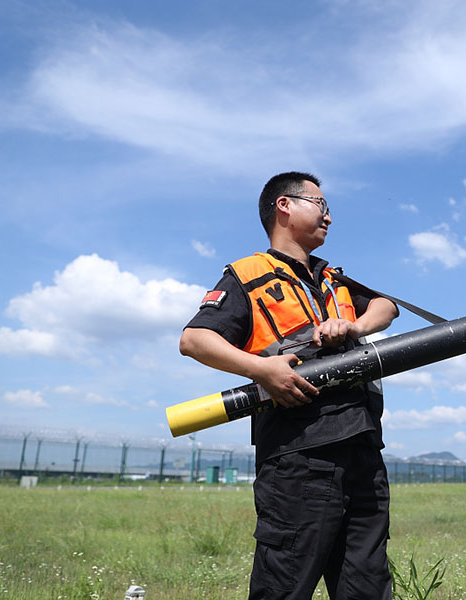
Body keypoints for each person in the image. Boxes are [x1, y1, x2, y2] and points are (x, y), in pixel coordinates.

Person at [179, 172, 399, 600]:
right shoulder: (248, 275)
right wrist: (262, 370)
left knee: (368, 587)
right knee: (283, 588)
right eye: (321, 205)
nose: (329, 218)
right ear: (285, 205)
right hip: (298, 456)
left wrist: (353, 326)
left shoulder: (331, 277)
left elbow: (386, 306)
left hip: (363, 450)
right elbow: (194, 339)